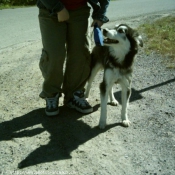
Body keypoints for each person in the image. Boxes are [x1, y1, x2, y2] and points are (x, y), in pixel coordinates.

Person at [37, 0, 110, 116]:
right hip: (50, 9)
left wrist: (100, 14)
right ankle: (52, 94)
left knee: (81, 53)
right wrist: (58, 8)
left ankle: (74, 94)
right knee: (54, 54)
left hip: (79, 10)